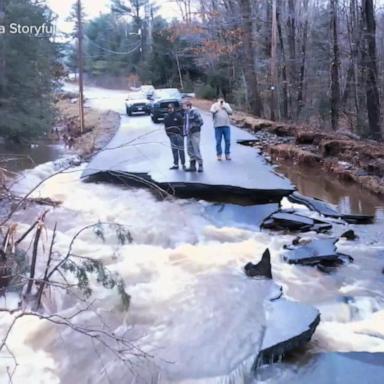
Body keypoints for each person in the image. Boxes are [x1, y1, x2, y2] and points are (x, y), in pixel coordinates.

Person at [183, 100, 204, 172]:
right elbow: (185, 124)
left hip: (195, 133)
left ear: (188, 106)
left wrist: (193, 126)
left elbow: (201, 122)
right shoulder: (185, 113)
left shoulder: (195, 112)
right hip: (188, 133)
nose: (183, 106)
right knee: (189, 149)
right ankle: (192, 166)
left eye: (184, 105)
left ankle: (200, 165)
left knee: (196, 149)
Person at [164, 104, 186, 170]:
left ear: (174, 108)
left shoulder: (178, 115)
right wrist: (168, 134)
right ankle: (176, 164)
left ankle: (183, 164)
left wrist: (182, 134)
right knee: (174, 150)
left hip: (179, 135)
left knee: (181, 150)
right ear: (167, 109)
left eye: (171, 108)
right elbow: (166, 127)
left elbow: (182, 125)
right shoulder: (166, 117)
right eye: (169, 108)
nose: (170, 109)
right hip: (172, 136)